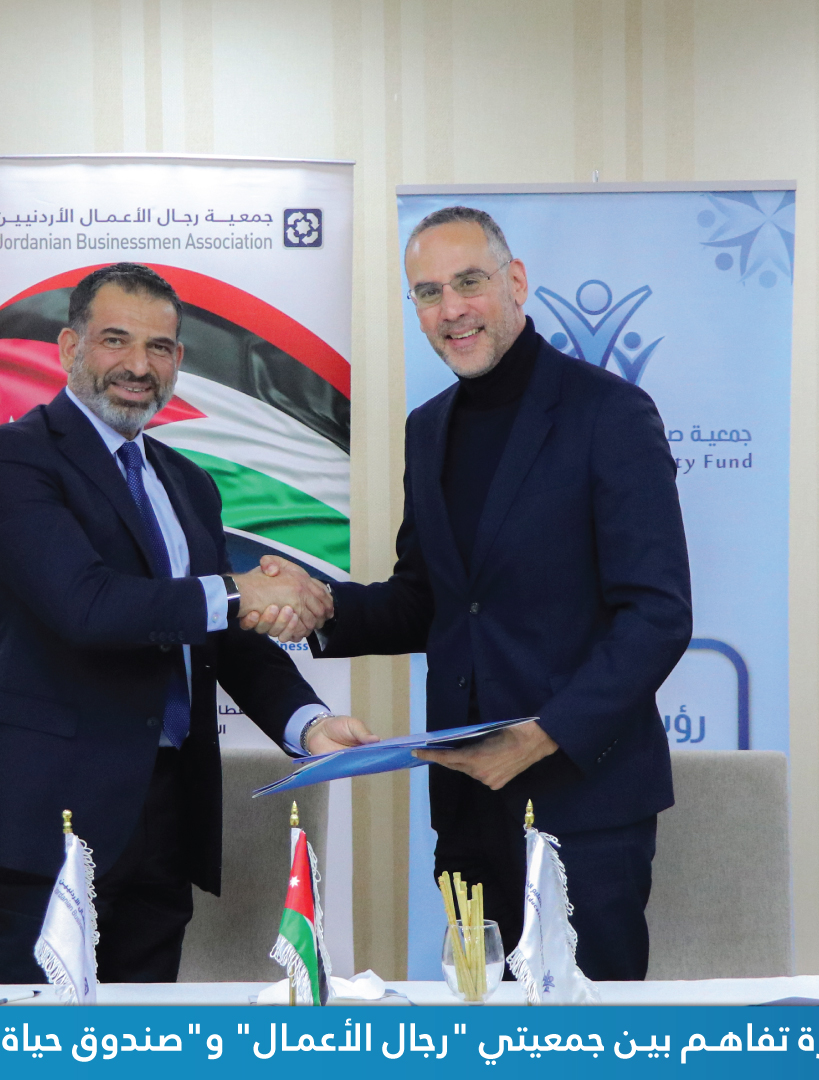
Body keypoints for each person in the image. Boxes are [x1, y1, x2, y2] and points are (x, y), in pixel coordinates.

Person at [271, 206, 692, 979]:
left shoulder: (610, 414)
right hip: (467, 806)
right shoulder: (428, 429)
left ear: (515, 282)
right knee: (477, 1024)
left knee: (587, 1034)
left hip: (584, 806)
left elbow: (658, 615)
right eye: (428, 293)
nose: (451, 309)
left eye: (469, 282)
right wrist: (321, 607)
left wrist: (541, 736)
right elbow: (427, 600)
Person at [0, 263, 375, 984]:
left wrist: (309, 724)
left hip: (165, 817)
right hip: (46, 819)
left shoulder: (188, 483)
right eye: (116, 340)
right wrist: (237, 590)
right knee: (36, 1037)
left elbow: (220, 635)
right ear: (69, 347)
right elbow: (86, 605)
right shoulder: (9, 461)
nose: (139, 366)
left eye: (161, 347)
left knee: (147, 1034)